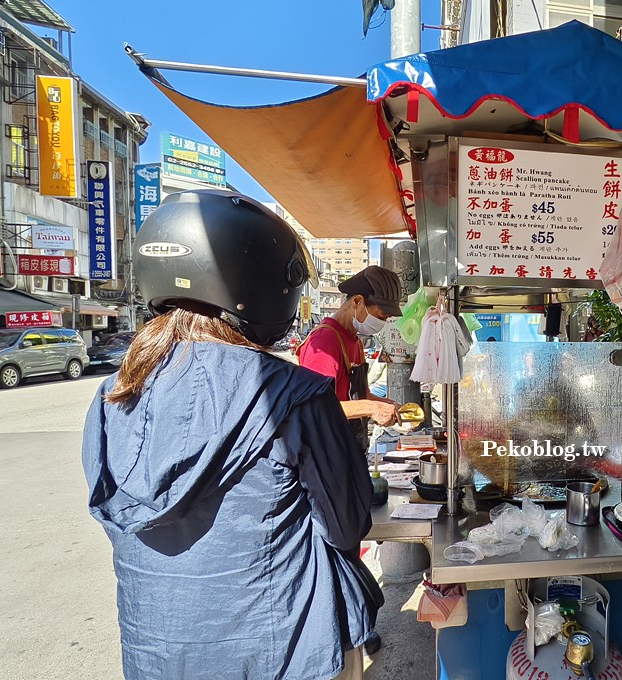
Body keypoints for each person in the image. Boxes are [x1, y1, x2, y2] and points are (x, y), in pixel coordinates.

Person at [82, 189, 381, 679]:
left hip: (157, 655)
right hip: (287, 648)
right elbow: (348, 526)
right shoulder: (295, 394)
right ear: (262, 284)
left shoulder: (111, 398)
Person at [296, 265, 404, 452]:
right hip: (326, 452)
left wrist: (385, 405)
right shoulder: (324, 342)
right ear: (357, 301)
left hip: (350, 447)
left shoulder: (356, 342)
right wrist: (371, 408)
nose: (383, 323)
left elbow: (359, 395)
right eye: (381, 315)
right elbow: (315, 408)